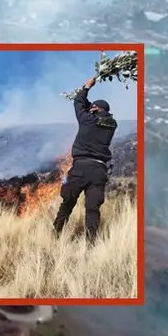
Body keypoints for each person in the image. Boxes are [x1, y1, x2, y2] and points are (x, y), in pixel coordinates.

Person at [52, 76, 118, 243]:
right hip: (99, 171)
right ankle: (91, 243)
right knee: (92, 209)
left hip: (80, 169)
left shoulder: (87, 119)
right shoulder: (112, 124)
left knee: (67, 202)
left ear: (95, 109)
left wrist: (87, 87)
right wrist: (94, 107)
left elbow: (78, 102)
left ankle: (55, 235)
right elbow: (95, 111)